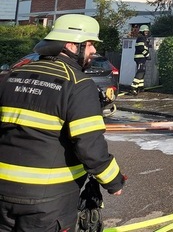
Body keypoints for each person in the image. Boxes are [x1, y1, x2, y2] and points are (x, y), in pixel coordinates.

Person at [0, 14, 125, 231]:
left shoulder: (12, 75)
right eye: (90, 44)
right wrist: (114, 182)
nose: (94, 51)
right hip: (47, 199)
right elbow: (89, 145)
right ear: (71, 45)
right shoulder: (78, 85)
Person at [131, 24, 151, 95]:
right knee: (140, 72)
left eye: (147, 32)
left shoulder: (143, 38)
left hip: (142, 58)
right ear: (142, 31)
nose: (146, 33)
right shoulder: (141, 38)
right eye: (145, 31)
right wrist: (147, 54)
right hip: (140, 58)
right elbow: (140, 48)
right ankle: (133, 88)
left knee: (142, 72)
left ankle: (140, 87)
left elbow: (144, 46)